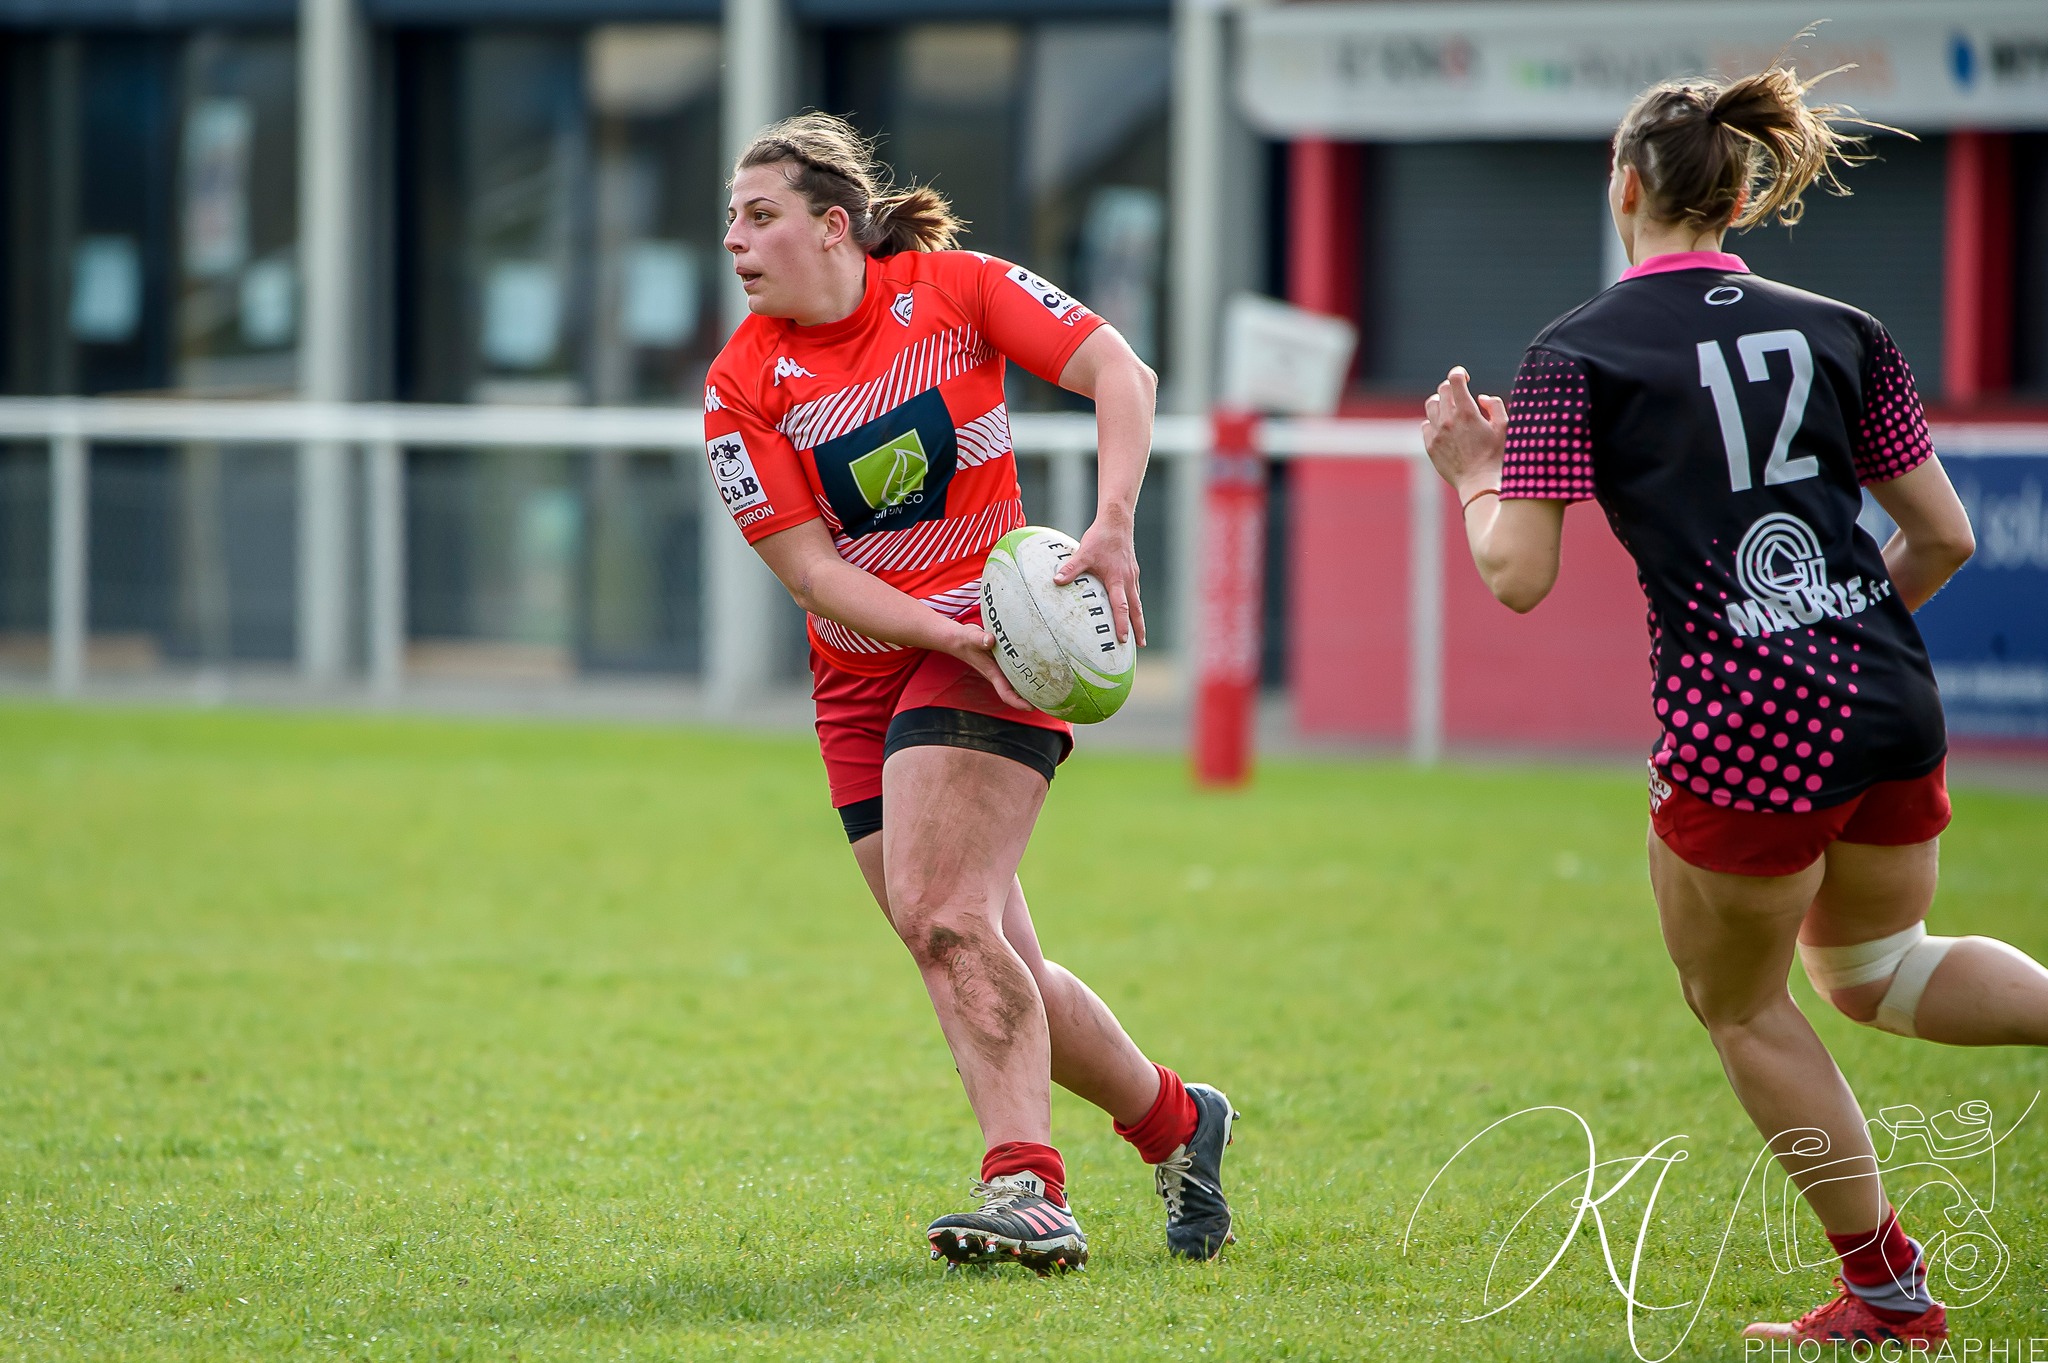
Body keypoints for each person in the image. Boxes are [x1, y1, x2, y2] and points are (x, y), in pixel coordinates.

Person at [1421, 63, 2048, 1347]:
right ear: (1742, 195)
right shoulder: (1842, 327)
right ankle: (1883, 1287)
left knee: (1742, 1006)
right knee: (1876, 968)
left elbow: (1517, 577)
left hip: (1745, 731)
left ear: (1623, 185)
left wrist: (1472, 471)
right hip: (1884, 692)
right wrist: (1831, 635)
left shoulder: (1574, 352)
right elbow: (1941, 537)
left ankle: (1887, 1292)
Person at [701, 113, 1236, 1273]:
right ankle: (1177, 1121)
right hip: (861, 676)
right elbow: (812, 572)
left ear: (832, 225)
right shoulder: (741, 382)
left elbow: (1118, 370)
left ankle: (1025, 1190)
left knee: (948, 916)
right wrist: (935, 628)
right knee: (973, 945)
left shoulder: (952, 290)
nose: (733, 240)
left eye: (758, 216)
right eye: (729, 220)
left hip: (996, 642)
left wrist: (1110, 522)